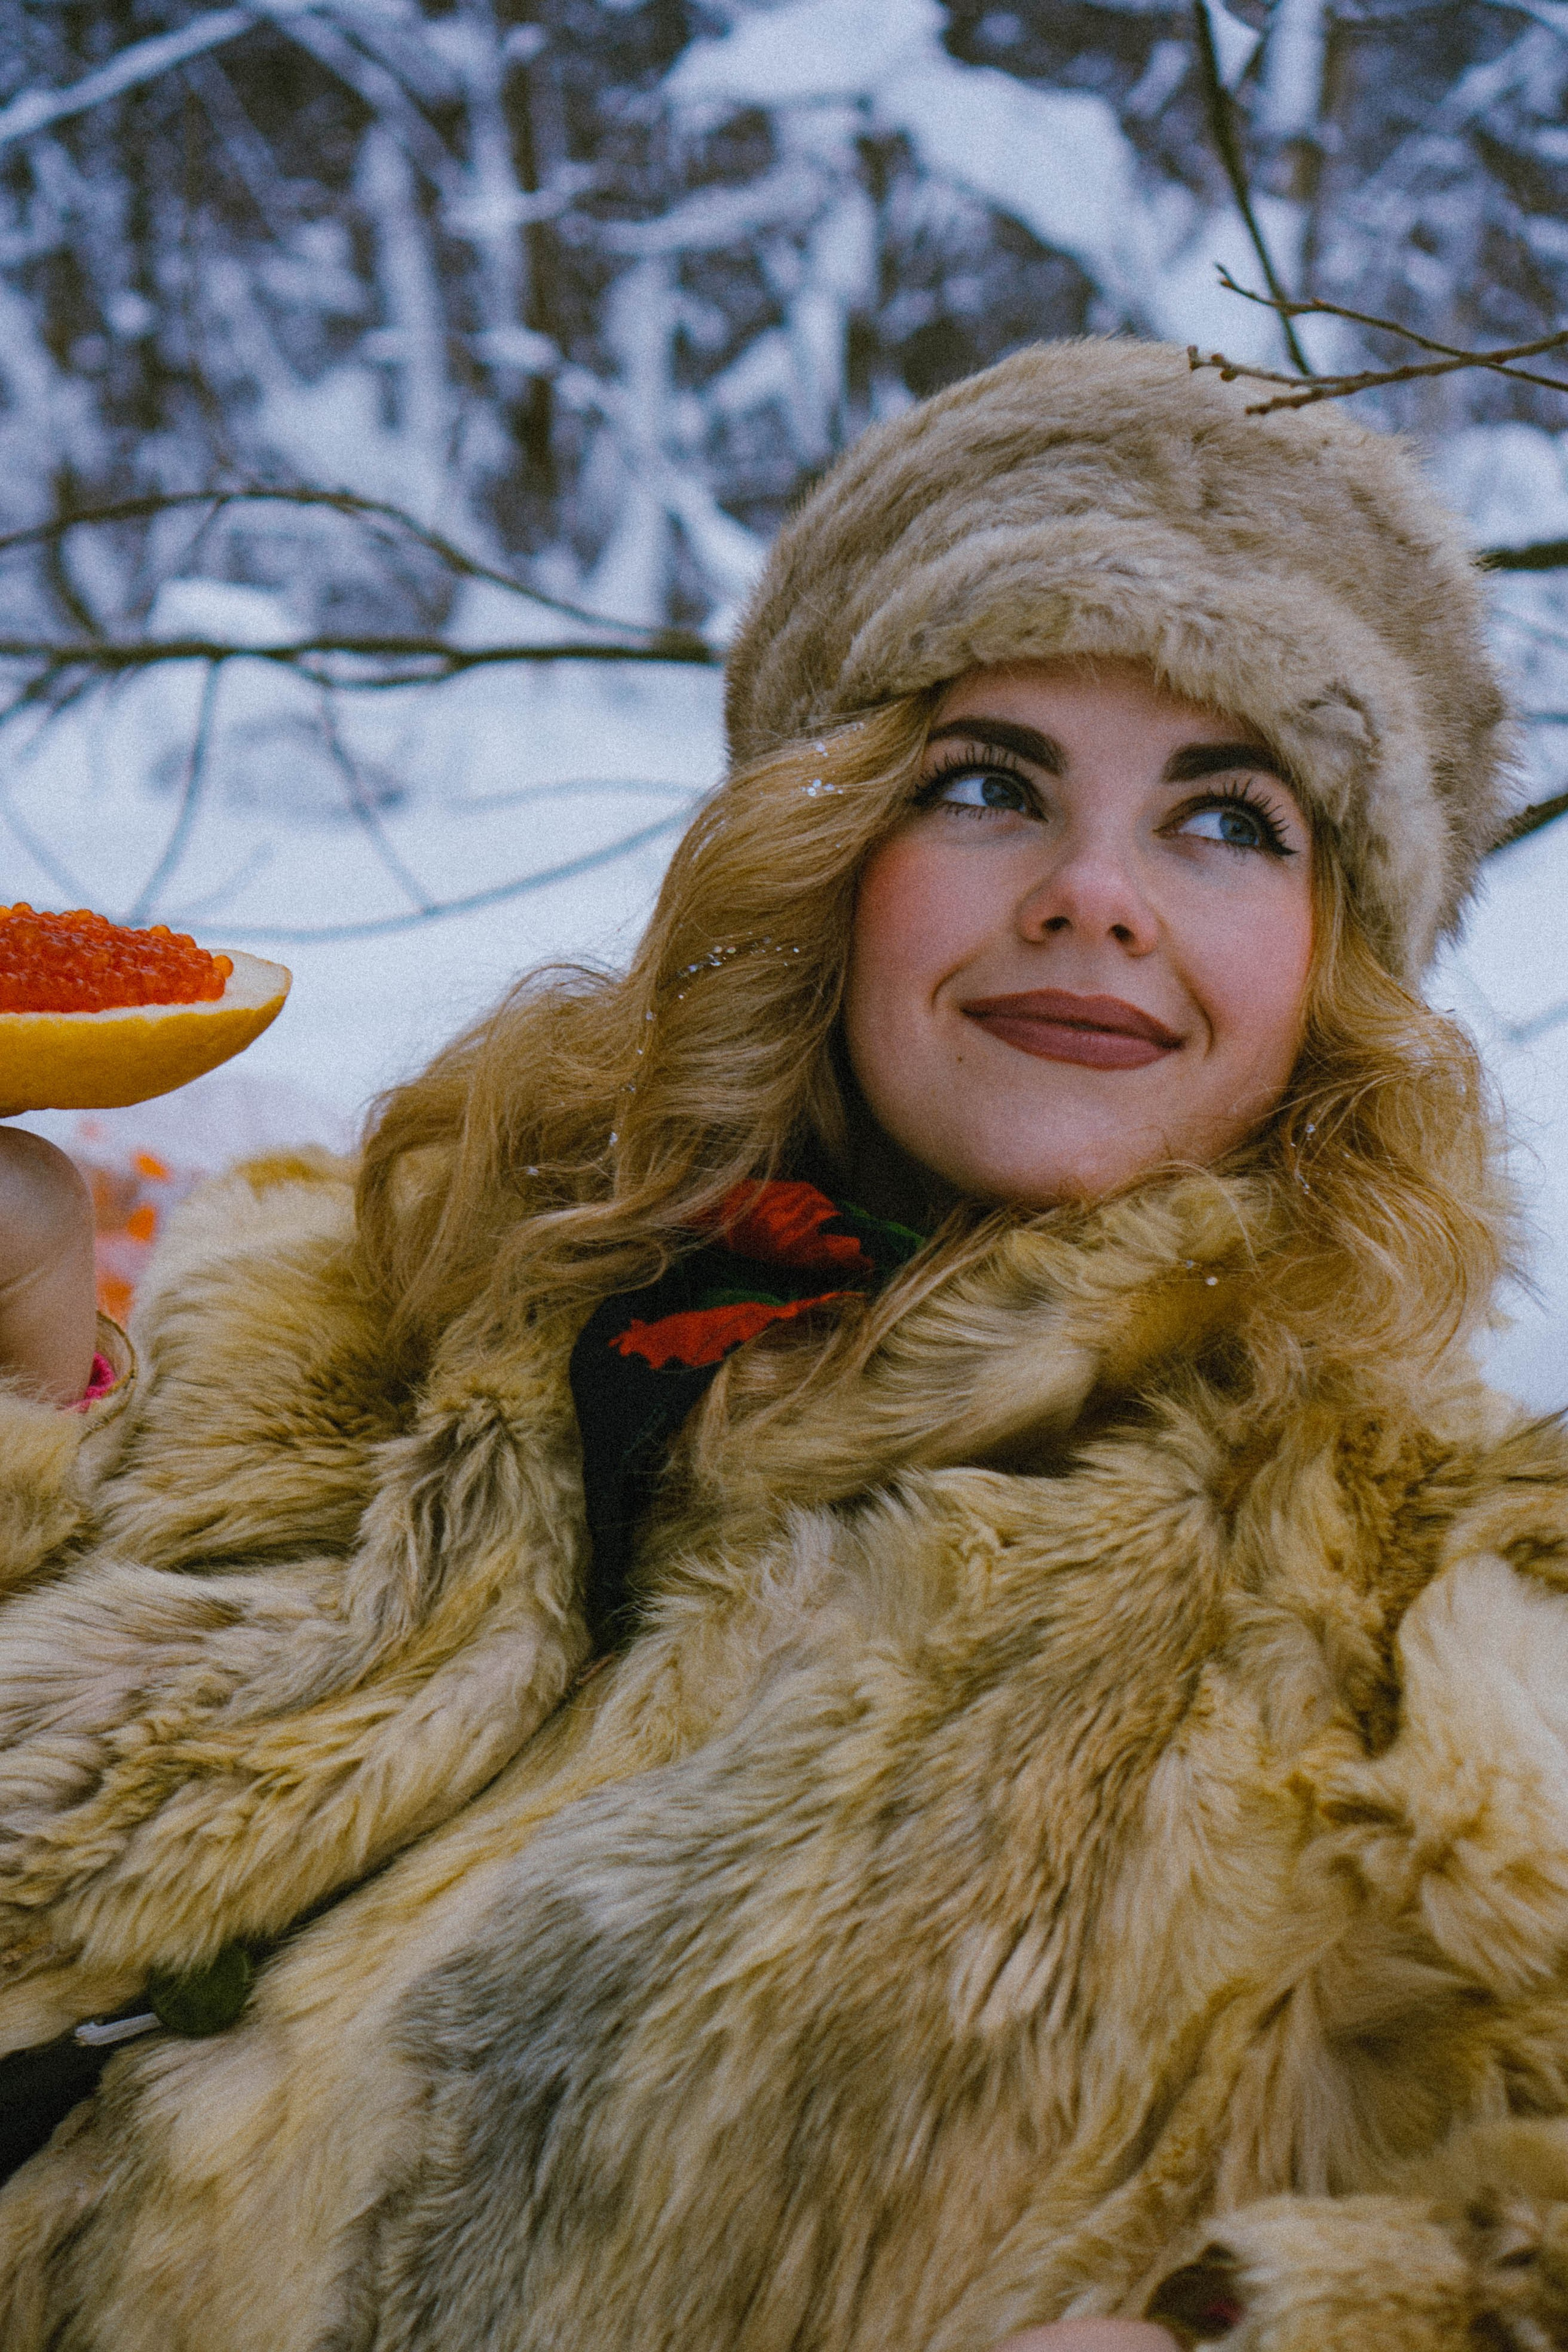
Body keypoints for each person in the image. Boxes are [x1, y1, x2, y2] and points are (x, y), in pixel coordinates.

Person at [0, 337, 1560, 2352]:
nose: (1094, 895)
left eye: (1229, 819)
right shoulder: (346, 1323)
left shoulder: (1434, 1599)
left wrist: (1265, 2328)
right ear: (827, 851)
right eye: (988, 786)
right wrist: (33, 1382)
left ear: (1334, 964)